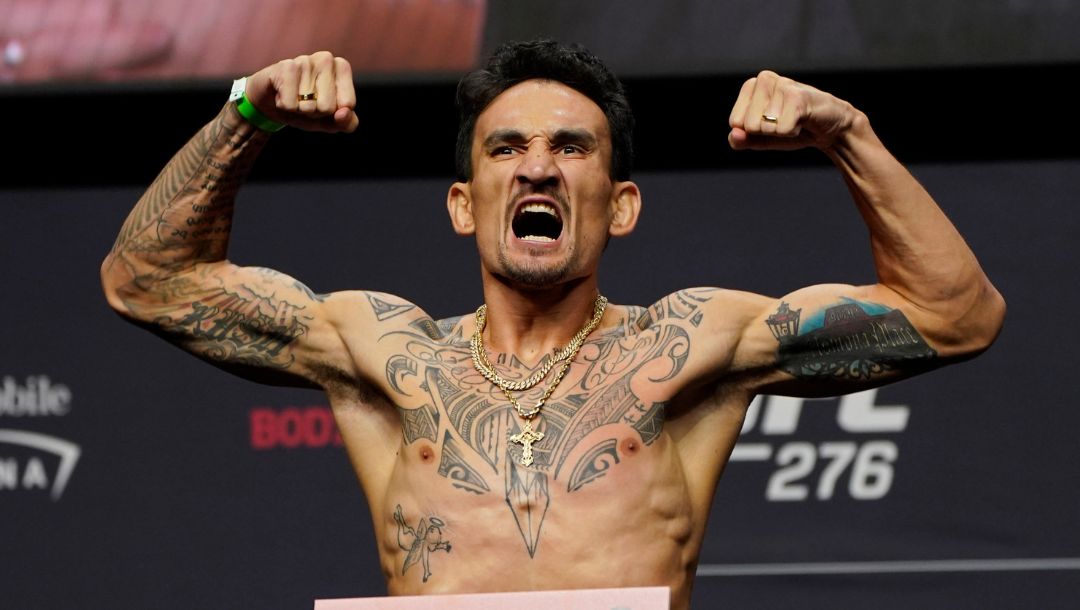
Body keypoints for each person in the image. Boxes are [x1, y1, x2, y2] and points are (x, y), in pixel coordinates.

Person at [99, 39, 1005, 608]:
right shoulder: (383, 349)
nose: (538, 168)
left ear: (621, 206)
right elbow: (146, 282)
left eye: (571, 147)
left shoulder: (688, 347)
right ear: (465, 205)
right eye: (507, 148)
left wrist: (848, 134)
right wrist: (246, 115)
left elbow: (955, 314)